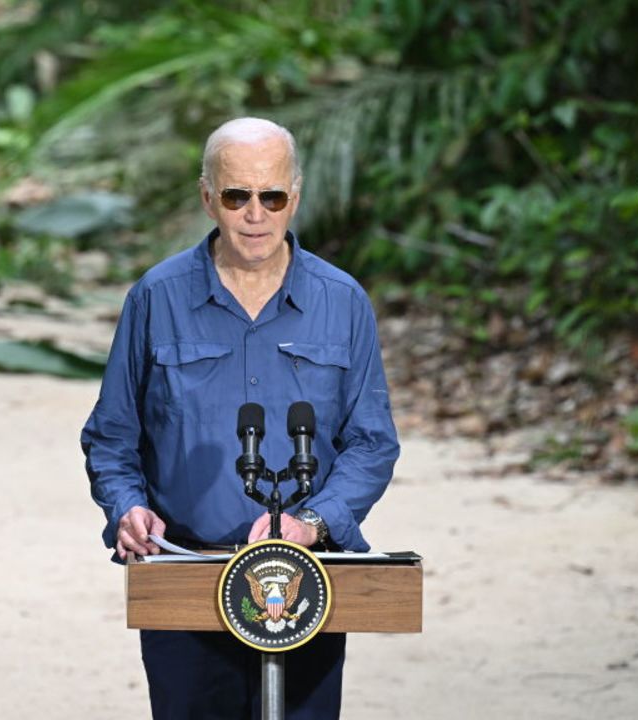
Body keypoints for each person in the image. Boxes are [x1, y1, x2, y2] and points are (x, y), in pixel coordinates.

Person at [81, 116, 400, 719]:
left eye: (272, 196)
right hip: (186, 576)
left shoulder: (343, 301)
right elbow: (112, 436)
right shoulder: (157, 297)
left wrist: (311, 521)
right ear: (208, 198)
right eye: (237, 196)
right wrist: (126, 507)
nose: (256, 214)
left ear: (295, 197)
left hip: (308, 578)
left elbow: (371, 443)